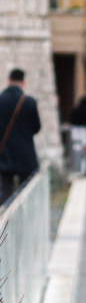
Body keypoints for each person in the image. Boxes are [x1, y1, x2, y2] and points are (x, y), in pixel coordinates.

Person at [0, 69, 41, 205]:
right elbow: (37, 128)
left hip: (4, 153)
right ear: (23, 82)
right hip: (25, 153)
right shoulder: (28, 101)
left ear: (8, 80)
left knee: (6, 189)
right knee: (26, 191)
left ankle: (4, 222)